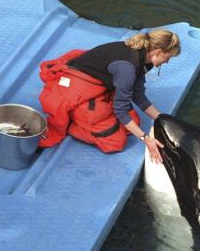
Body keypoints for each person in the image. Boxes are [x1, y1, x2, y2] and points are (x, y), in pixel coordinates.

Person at [38, 29, 180, 163]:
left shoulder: (144, 57)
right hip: (77, 87)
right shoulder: (127, 69)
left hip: (99, 84)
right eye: (168, 57)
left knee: (133, 123)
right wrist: (146, 139)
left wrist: (161, 119)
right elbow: (121, 111)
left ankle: (84, 118)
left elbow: (138, 96)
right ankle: (71, 122)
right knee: (114, 141)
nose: (167, 62)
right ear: (159, 52)